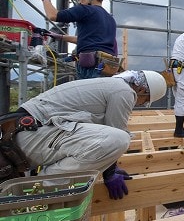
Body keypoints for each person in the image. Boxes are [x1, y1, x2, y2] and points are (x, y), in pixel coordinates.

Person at [3, 70, 167, 200]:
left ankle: (46, 181)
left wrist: (110, 166)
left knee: (110, 139)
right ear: (141, 90)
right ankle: (45, 187)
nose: (139, 104)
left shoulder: (108, 85)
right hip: (31, 135)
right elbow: (115, 130)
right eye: (144, 101)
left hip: (25, 133)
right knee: (120, 140)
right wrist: (110, 173)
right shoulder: (124, 92)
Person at [31, 0, 118, 79]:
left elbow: (53, 15)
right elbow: (85, 39)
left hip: (90, 67)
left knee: (86, 93)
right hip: (106, 67)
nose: (79, 1)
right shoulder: (110, 20)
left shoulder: (86, 10)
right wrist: (59, 36)